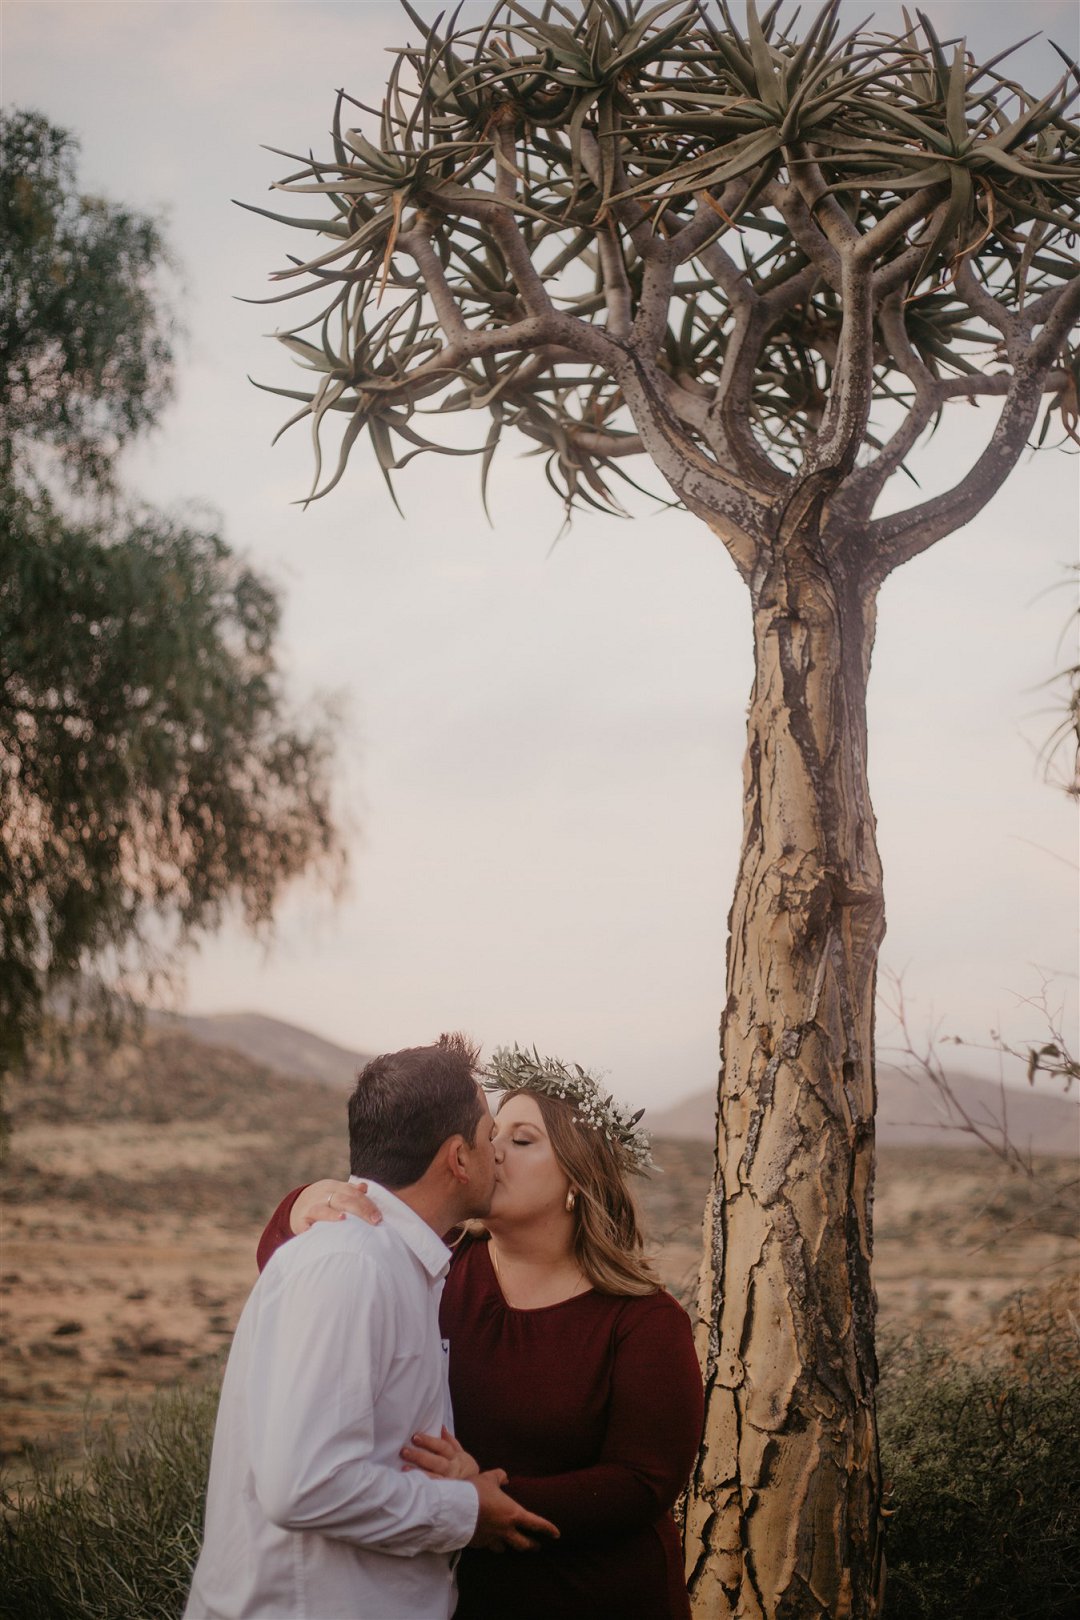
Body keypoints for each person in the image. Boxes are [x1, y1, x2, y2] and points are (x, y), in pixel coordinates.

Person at [259, 1045, 705, 1620]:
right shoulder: (434, 1265)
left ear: (578, 1176)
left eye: (522, 1141)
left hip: (593, 1595)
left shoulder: (642, 1319)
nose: (493, 1150)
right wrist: (307, 1204)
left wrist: (487, 1498)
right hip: (455, 1598)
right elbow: (303, 1266)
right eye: (492, 1133)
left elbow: (645, 1482)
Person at [186, 1034, 557, 1620]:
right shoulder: (352, 1266)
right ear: (458, 1158)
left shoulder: (404, 1265)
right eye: (491, 1138)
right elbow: (304, 1485)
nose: (499, 1155)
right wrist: (464, 1510)